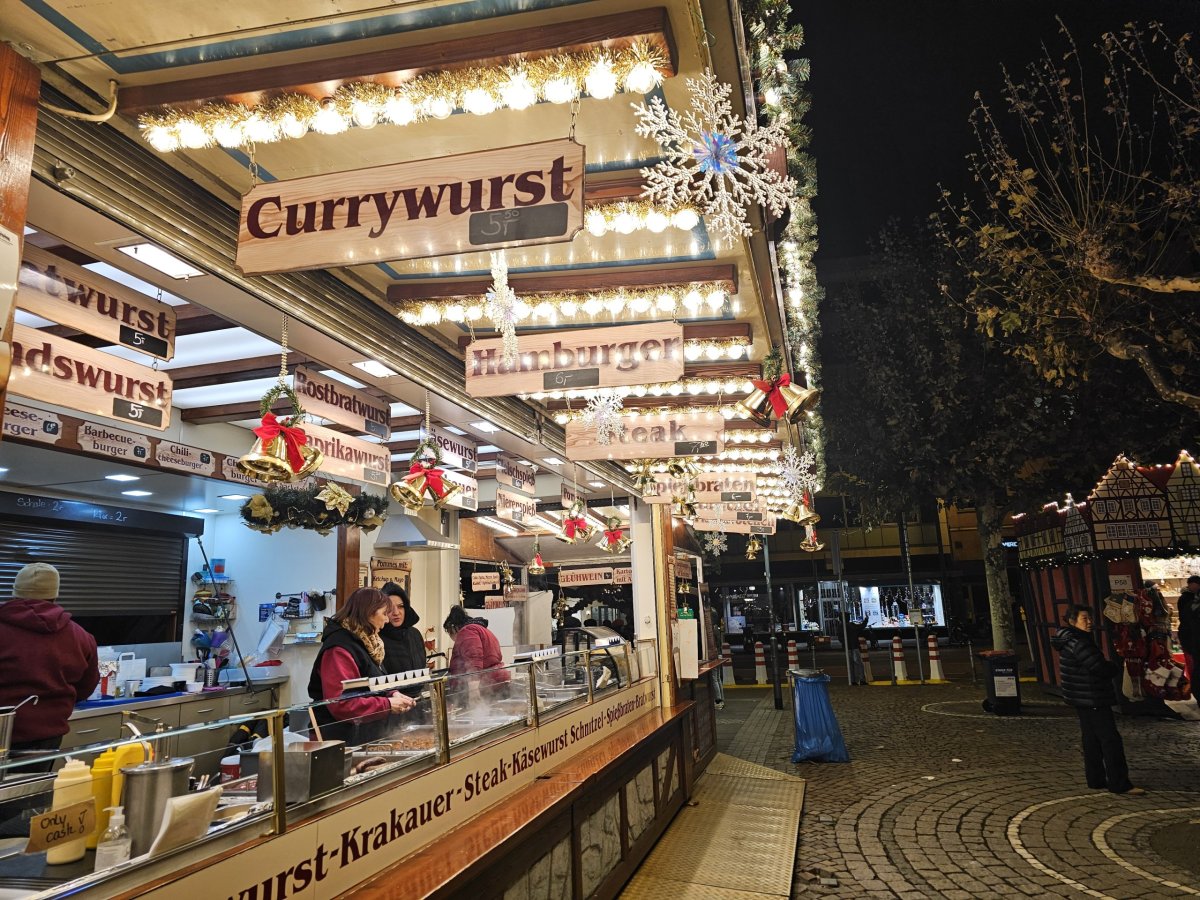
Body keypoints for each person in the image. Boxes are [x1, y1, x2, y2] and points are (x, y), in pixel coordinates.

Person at [0, 563, 98, 766]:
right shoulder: (80, 636)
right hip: (49, 736)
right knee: (34, 791)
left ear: (15, 592)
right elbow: (86, 686)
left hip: (4, 731)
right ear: (55, 594)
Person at [1050, 604, 1145, 795]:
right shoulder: (1079, 642)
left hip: (1081, 697)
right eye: (1084, 618)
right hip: (1092, 696)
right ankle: (1119, 783)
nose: (1089, 622)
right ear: (1072, 621)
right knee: (1110, 740)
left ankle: (1095, 778)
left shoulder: (1069, 639)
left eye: (1090, 618)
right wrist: (1113, 667)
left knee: (1091, 739)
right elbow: (1098, 667)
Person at [308, 587, 415, 744]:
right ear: (369, 612)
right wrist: (387, 704)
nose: (387, 620)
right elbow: (342, 704)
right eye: (384, 613)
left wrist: (392, 694)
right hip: (339, 742)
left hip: (365, 736)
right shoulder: (339, 649)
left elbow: (374, 681)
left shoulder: (367, 643)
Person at [444, 605, 511, 701]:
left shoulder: (467, 631)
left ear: (453, 628)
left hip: (484, 687)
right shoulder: (480, 629)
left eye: (449, 633)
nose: (451, 637)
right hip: (494, 683)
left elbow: (473, 660)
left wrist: (473, 691)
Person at [379, 582, 425, 680]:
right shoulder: (377, 638)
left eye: (400, 606)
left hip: (419, 693)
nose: (396, 612)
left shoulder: (415, 634)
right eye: (390, 608)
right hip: (392, 694)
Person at [1177, 575, 1200, 685]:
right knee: (1194, 665)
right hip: (1191, 638)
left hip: (1190, 637)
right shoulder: (1186, 599)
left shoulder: (1188, 600)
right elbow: (1185, 619)